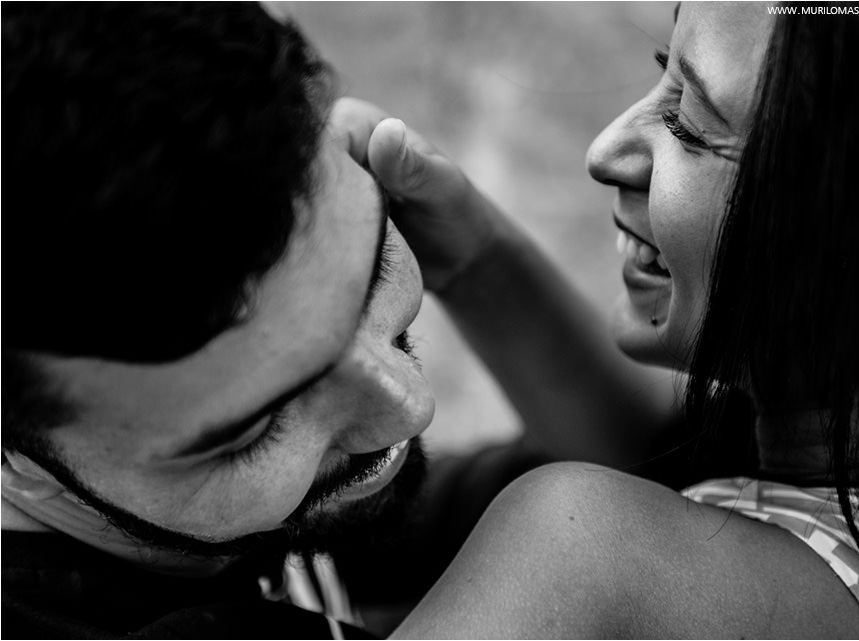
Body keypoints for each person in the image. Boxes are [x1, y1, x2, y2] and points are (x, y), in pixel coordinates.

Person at [3, 4, 679, 637]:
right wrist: (588, 551)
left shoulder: (204, 514)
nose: (408, 408)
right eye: (254, 432)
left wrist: (479, 259)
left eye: (372, 271)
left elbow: (664, 468)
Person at [333, 3, 859, 638]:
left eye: (687, 125)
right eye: (664, 73)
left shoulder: (579, 561)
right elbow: (658, 451)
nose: (605, 150)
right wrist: (474, 262)